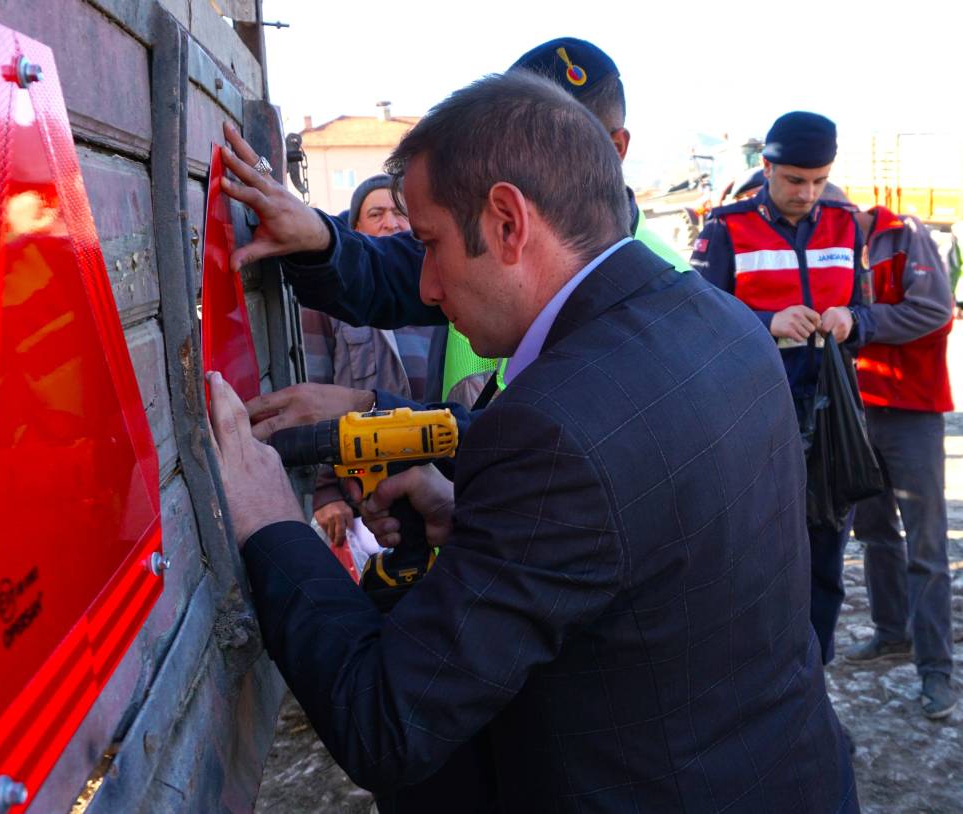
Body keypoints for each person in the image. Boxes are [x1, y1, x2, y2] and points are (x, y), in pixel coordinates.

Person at [208, 71, 857, 811]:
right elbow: (652, 538)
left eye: (428, 243)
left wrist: (270, 524)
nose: (424, 284)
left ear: (509, 223)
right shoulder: (721, 321)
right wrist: (490, 524)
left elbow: (387, 722)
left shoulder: (551, 431)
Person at [218, 38, 693, 438]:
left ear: (614, 149)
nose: (432, 286)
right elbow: (383, 274)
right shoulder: (468, 239)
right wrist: (319, 237)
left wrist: (370, 413)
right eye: (505, 144)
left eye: (558, 144)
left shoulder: (670, 301)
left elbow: (547, 452)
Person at [690, 111, 874, 667]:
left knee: (826, 554)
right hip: (753, 413)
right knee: (756, 552)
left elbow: (867, 312)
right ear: (766, 168)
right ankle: (755, 677)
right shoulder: (725, 227)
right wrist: (766, 321)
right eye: (795, 180)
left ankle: (813, 679)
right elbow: (695, 319)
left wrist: (851, 321)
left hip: (831, 414)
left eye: (819, 180)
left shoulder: (846, 224)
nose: (808, 193)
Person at [842, 205, 956, 720]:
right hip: (858, 410)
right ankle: (892, 634)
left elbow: (934, 311)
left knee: (926, 546)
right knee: (874, 531)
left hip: (912, 412)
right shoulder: (830, 244)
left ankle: (936, 669)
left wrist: (861, 323)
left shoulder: (905, 236)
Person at [302, 175, 440, 573]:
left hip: (439, 473)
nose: (389, 222)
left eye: (400, 212)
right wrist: (325, 492)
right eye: (375, 213)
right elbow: (314, 390)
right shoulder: (331, 301)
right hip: (363, 490)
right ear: (356, 229)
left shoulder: (440, 290)